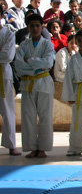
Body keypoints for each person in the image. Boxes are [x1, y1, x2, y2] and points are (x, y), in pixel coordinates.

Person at [16, 14, 54, 158]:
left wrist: (30, 61)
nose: (35, 28)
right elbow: (19, 66)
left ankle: (43, 148)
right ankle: (32, 148)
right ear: (28, 27)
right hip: (27, 84)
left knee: (45, 116)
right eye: (32, 26)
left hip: (43, 83)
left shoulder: (47, 44)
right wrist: (36, 66)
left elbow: (48, 63)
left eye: (37, 25)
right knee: (28, 117)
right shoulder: (24, 45)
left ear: (42, 27)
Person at [0, 5, 21, 156]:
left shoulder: (8, 33)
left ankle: (11, 144)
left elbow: (7, 56)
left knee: (7, 110)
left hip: (3, 74)